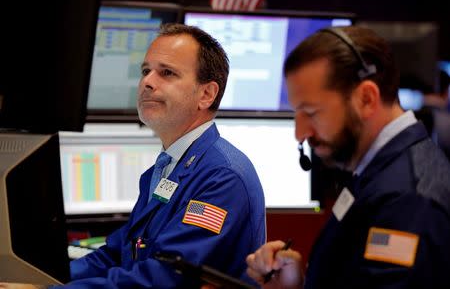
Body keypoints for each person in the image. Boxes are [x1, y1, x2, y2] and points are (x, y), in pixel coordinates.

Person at [60, 23, 266, 288]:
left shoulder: (222, 177)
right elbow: (118, 253)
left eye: (166, 73)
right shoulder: (167, 166)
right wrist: (42, 277)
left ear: (206, 94)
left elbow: (164, 278)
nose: (147, 82)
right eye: (146, 71)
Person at [246, 26, 450, 288]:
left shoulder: (408, 202)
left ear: (366, 98)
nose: (300, 134)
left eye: (311, 112)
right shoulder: (378, 169)